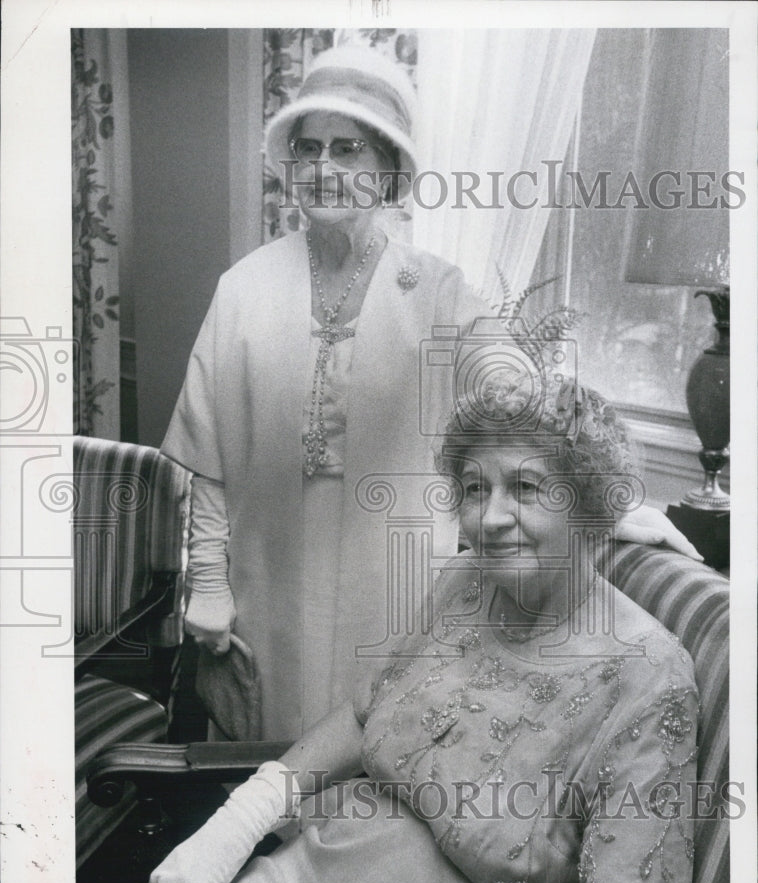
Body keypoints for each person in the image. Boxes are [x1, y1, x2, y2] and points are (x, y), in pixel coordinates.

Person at [163, 44, 701, 743]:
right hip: (268, 592)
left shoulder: (438, 290)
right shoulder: (242, 289)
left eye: (350, 149)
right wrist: (209, 585)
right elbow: (208, 462)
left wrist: (607, 494)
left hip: (396, 591)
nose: (326, 169)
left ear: (387, 169)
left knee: (377, 771)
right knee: (268, 777)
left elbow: (513, 392)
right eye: (310, 148)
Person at [103, 372, 698, 883]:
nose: (490, 518)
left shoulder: (647, 679)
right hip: (315, 865)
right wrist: (241, 821)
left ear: (592, 506)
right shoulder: (466, 583)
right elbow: (369, 713)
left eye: (526, 486)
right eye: (472, 487)